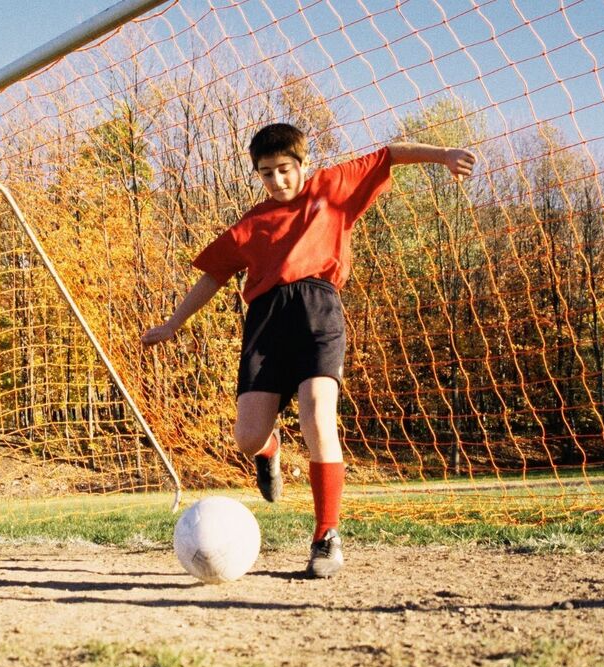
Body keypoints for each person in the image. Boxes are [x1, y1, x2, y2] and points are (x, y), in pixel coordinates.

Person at [141, 123, 476, 578]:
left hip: (318, 309)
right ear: (257, 175)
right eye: (266, 174)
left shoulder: (332, 187)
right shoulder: (251, 224)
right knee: (246, 438)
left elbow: (389, 154)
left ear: (302, 164)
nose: (277, 181)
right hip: (266, 321)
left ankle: (326, 536)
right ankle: (269, 450)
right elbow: (213, 276)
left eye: (284, 170)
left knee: (318, 412)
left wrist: (443, 153)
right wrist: (173, 323)